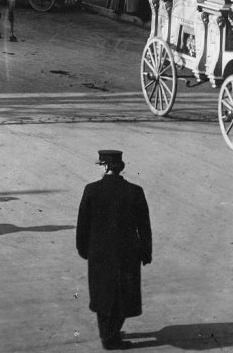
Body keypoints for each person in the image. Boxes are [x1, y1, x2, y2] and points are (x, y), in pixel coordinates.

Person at [76, 150, 152, 351]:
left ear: (106, 167)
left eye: (101, 165)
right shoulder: (135, 191)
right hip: (128, 254)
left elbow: (82, 225)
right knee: (123, 296)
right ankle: (111, 335)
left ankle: (108, 337)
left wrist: (84, 250)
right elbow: (144, 225)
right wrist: (146, 252)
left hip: (99, 254)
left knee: (103, 296)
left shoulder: (91, 190)